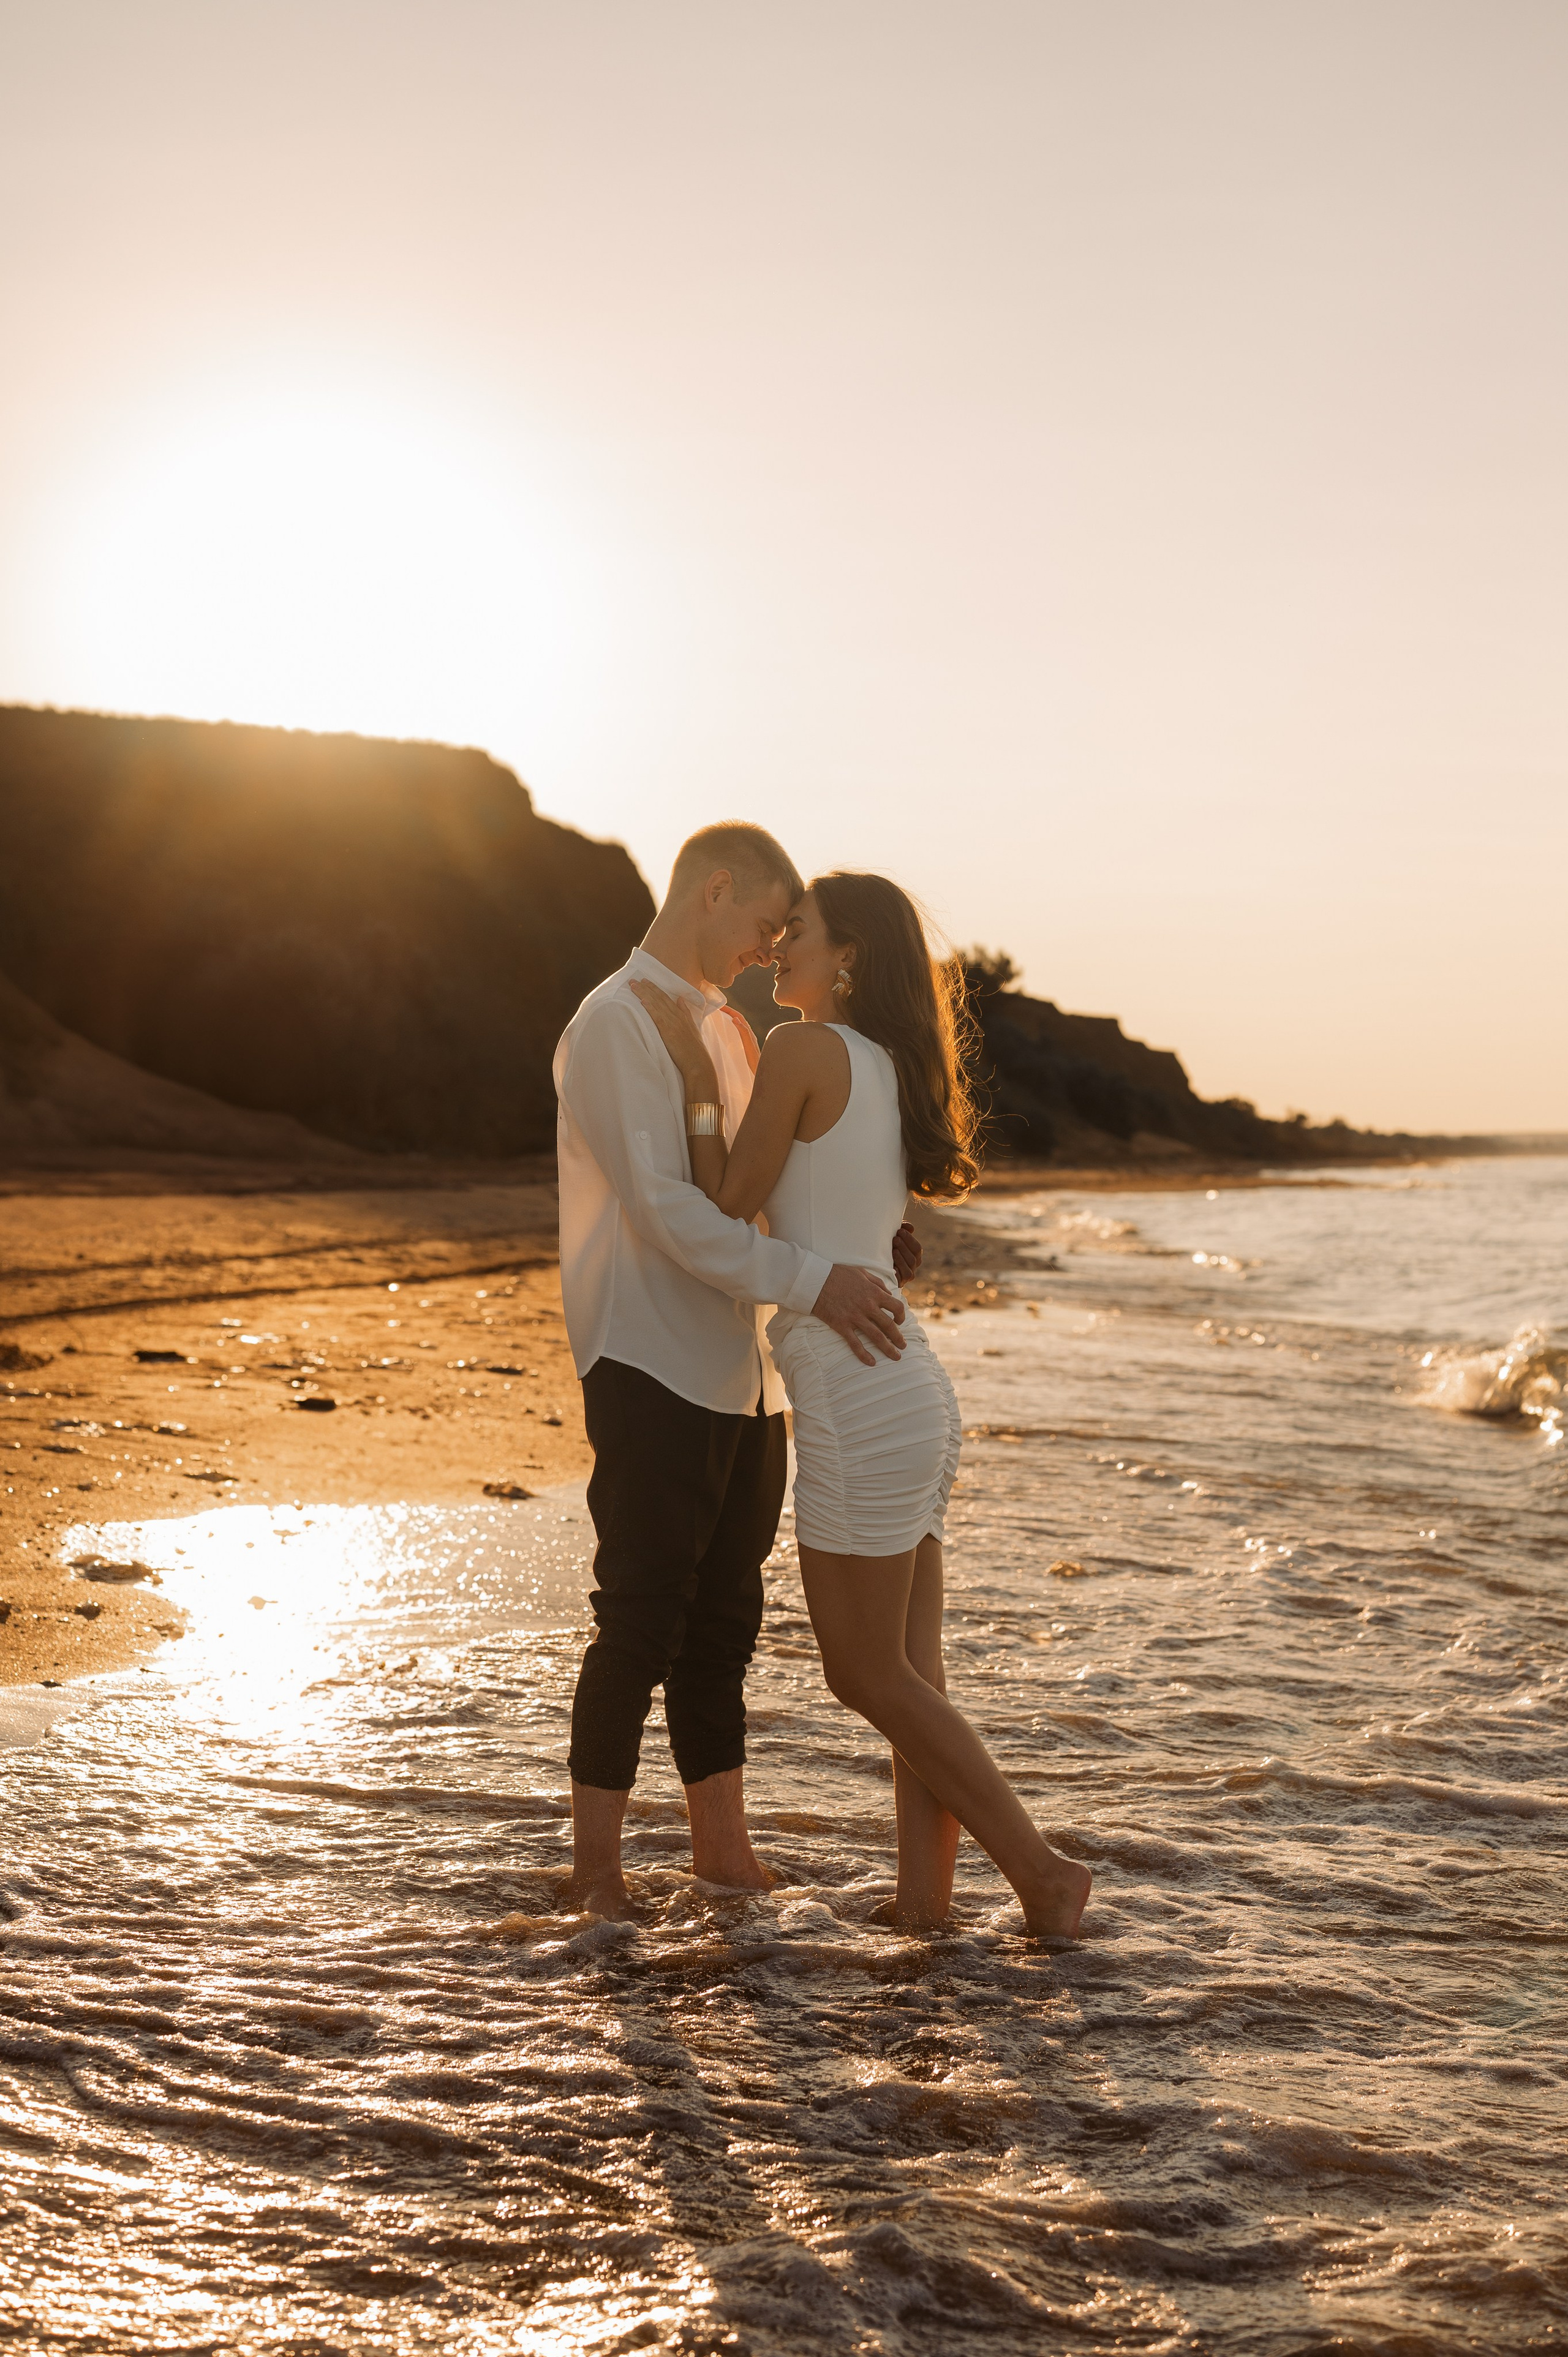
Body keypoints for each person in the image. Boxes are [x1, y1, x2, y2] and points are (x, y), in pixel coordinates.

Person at [631, 870, 1091, 1939]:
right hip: (911, 1386)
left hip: (853, 1387)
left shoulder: (800, 1051)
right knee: (909, 1680)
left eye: (802, 934)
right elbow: (850, 1223)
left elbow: (726, 1207)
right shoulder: (886, 1066)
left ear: (850, 959)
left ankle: (1041, 1872)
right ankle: (926, 1918)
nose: (782, 946)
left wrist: (698, 1084)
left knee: (863, 1670)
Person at [553, 823, 924, 1920]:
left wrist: (865, 1247)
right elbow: (669, 1214)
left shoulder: (730, 1034)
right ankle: (595, 1875)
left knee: (727, 1625)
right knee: (640, 1620)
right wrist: (818, 1281)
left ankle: (723, 1854)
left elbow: (761, 1190)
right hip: (648, 1354)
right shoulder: (615, 1022)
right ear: (714, 891)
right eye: (766, 925)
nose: (773, 952)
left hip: (742, 1371)